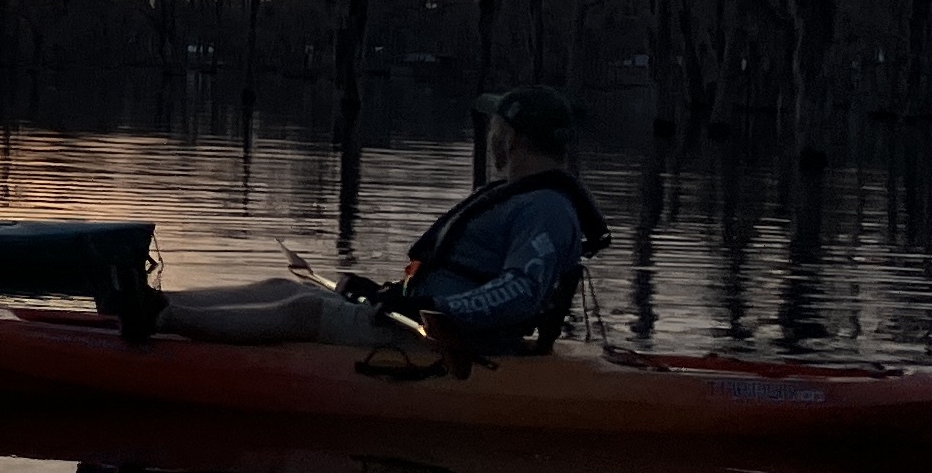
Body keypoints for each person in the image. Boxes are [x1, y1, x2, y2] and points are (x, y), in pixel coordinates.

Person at [128, 85, 610, 351]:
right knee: (283, 286)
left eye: (497, 127)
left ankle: (161, 320)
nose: (491, 135)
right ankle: (145, 303)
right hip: (425, 317)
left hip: (453, 341)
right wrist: (393, 293)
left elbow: (520, 291)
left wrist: (435, 313)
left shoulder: (546, 209)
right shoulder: (519, 195)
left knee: (307, 310)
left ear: (514, 138)